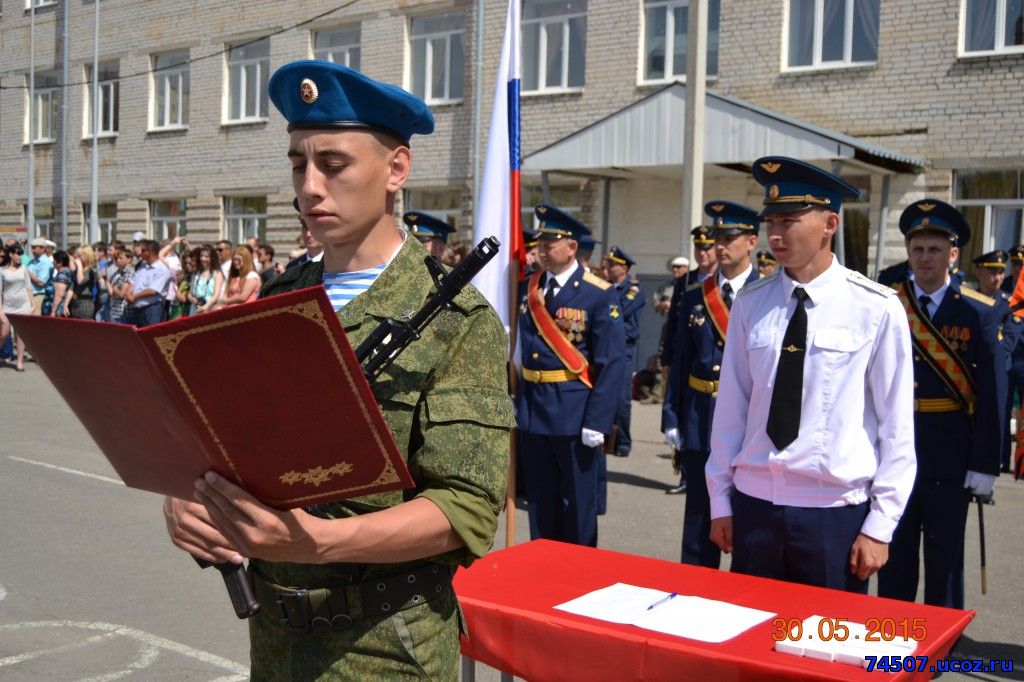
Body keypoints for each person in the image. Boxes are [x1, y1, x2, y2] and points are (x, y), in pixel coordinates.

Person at [162, 59, 513, 679]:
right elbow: (226, 440)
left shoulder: (459, 319)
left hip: (386, 644)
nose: (309, 187)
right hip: (276, 636)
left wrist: (319, 543)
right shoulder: (280, 297)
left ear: (396, 169)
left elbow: (465, 508)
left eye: (334, 163)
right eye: (298, 163)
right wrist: (190, 502)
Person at [706, 156, 917, 593]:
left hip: (832, 513)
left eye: (789, 219)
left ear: (829, 224)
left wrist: (881, 524)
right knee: (751, 645)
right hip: (755, 506)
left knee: (822, 648)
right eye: (771, 221)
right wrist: (719, 500)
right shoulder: (751, 303)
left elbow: (897, 427)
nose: (776, 233)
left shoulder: (875, 307)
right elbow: (732, 409)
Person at [877, 199, 1004, 610]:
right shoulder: (887, 304)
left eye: (934, 249)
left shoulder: (977, 311)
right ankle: (892, 636)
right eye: (917, 249)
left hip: (951, 449)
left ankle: (939, 649)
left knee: (944, 557)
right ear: (908, 253)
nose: (925, 258)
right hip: (895, 446)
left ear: (952, 254)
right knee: (892, 550)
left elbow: (992, 395)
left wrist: (986, 463)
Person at [516, 204, 626, 547]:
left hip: (575, 415)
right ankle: (543, 572)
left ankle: (580, 575)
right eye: (540, 244)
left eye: (550, 244)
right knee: (541, 503)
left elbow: (612, 364)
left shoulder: (598, 293)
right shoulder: (527, 288)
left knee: (578, 505)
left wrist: (599, 421)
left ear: (572, 247)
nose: (542, 250)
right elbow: (520, 347)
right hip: (533, 411)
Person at [662, 201, 762, 564]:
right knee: (699, 519)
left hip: (750, 422)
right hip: (700, 414)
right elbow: (680, 359)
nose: (721, 245)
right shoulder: (693, 294)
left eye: (729, 237)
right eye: (717, 237)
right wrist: (671, 415)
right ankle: (693, 595)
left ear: (751, 241)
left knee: (749, 519)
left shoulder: (767, 295)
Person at [973, 249, 1021, 473]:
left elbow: (1008, 342)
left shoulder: (1009, 304)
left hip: (999, 370)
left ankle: (996, 465)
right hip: (971, 373)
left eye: (1001, 272)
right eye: (992, 272)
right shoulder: (965, 300)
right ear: (978, 271)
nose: (998, 278)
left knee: (997, 420)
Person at [602, 246, 647, 457]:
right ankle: (606, 439)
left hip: (623, 348)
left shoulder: (633, 289)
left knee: (621, 400)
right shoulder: (605, 287)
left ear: (624, 268)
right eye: (607, 263)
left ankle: (623, 442)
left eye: (612, 264)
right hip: (605, 345)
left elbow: (618, 312)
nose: (607, 268)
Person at [0, 244, 33, 371]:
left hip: (23, 305)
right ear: (10, 255)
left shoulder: (24, 268)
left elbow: (28, 287)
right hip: (7, 306)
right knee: (3, 333)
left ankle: (19, 363)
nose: (20, 256)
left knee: (21, 335)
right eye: (18, 254)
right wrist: (0, 309)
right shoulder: (2, 270)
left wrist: (32, 303)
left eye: (21, 254)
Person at [125, 240, 171, 327]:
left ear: (151, 251)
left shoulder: (162, 270)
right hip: (137, 308)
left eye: (143, 250)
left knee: (149, 337)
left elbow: (153, 290)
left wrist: (134, 296)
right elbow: (133, 281)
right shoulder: (142, 267)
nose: (140, 253)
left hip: (152, 310)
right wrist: (128, 293)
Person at [188, 244, 223, 315]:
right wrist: (192, 299)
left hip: (209, 309)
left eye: (206, 256)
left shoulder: (217, 273)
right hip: (195, 309)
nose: (203, 259)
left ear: (212, 258)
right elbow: (189, 293)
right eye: (201, 256)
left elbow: (216, 295)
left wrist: (205, 307)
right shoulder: (196, 273)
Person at [26, 237, 53, 315]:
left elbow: (41, 283)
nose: (32, 250)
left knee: (35, 321)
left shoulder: (45, 262)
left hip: (38, 295)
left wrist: (26, 272)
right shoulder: (32, 261)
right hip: (29, 295)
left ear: (42, 249)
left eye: (34, 248)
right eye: (32, 247)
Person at [107, 248, 135, 324]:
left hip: (123, 312)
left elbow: (122, 294)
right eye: (117, 258)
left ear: (129, 259)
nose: (118, 260)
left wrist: (115, 288)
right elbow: (113, 293)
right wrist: (115, 289)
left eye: (121, 258)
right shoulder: (119, 273)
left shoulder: (130, 272)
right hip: (115, 311)